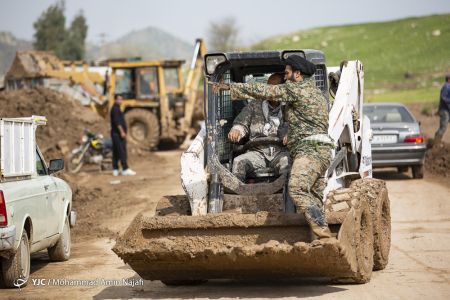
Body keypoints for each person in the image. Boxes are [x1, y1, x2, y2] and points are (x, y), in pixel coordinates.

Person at [213, 55, 333, 239]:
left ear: (298, 74)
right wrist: (237, 129)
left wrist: (229, 87)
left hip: (308, 149)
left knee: (297, 188)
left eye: (286, 74)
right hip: (308, 149)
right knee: (314, 194)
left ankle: (320, 229)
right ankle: (317, 240)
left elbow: (262, 90)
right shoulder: (314, 94)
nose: (285, 79)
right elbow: (243, 122)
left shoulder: (295, 92)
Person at [229, 73, 290, 182]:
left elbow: (299, 126)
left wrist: (290, 135)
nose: (270, 90)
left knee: (287, 164)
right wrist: (237, 130)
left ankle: (286, 196)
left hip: (281, 152)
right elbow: (242, 123)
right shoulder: (254, 105)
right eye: (268, 87)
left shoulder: (290, 107)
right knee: (239, 162)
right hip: (257, 152)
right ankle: (239, 195)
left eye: (274, 87)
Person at [110, 94, 136, 176]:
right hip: (118, 134)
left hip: (116, 134)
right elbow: (117, 122)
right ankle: (125, 169)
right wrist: (122, 132)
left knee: (116, 151)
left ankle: (115, 169)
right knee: (122, 151)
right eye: (119, 99)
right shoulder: (115, 109)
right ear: (115, 100)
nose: (120, 101)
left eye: (121, 99)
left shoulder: (117, 109)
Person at [433, 74, 450, 145]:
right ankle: (436, 142)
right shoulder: (446, 86)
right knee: (443, 127)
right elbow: (444, 97)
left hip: (447, 109)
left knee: (443, 127)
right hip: (445, 110)